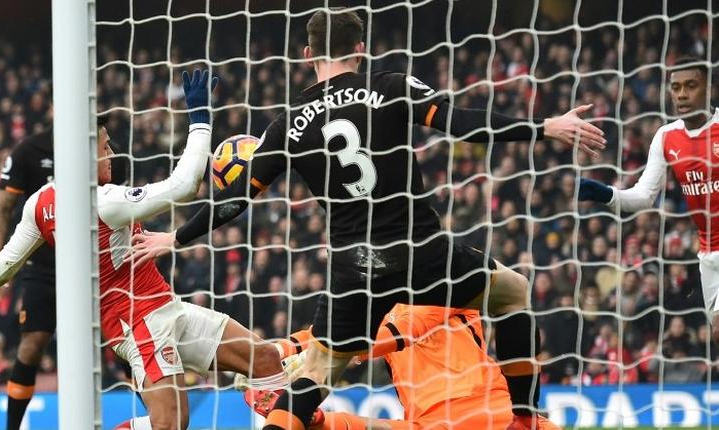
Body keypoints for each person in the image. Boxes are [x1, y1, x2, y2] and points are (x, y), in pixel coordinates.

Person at [129, 9, 605, 430]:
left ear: (308, 52)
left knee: (315, 373)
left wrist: (176, 237)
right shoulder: (391, 86)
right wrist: (546, 127)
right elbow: (466, 123)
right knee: (514, 291)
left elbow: (235, 200)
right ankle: (523, 418)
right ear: (360, 49)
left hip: (354, 270)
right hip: (423, 253)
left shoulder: (287, 125)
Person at [0, 70, 287, 430]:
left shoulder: (41, 203)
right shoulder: (104, 201)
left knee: (266, 360)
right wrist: (200, 119)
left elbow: (7, 261)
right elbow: (185, 185)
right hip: (136, 324)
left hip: (163, 306)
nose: (112, 153)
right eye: (105, 146)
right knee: (171, 424)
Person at [578, 57, 719, 342]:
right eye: (676, 87)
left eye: (691, 86)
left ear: (708, 88)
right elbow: (644, 198)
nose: (681, 94)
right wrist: (605, 194)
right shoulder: (666, 137)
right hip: (709, 252)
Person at [249, 305, 516, 430]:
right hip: (428, 422)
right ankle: (312, 419)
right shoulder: (378, 305)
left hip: (488, 406)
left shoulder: (444, 279)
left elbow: (404, 331)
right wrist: (271, 352)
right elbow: (321, 334)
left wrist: (343, 351)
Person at [0, 107, 55, 429]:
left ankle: (163, 417)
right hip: (43, 266)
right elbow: (2, 209)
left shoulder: (103, 152)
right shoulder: (29, 151)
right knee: (31, 346)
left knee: (123, 346)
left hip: (95, 268)